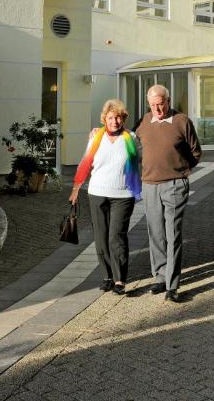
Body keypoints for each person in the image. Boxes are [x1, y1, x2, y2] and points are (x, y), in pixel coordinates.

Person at [135, 84, 202, 303]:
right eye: (153, 105)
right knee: (155, 232)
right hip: (150, 185)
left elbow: (195, 151)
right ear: (149, 104)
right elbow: (130, 144)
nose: (157, 109)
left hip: (174, 185)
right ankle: (160, 276)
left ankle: (172, 285)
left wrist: (181, 171)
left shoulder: (182, 121)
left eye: (160, 104)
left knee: (172, 234)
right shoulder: (144, 122)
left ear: (168, 101)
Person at [70, 99, 142, 296]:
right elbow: (85, 163)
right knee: (101, 238)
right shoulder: (95, 137)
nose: (114, 121)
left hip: (123, 195)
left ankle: (120, 279)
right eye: (111, 117)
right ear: (104, 119)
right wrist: (76, 188)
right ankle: (107, 276)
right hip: (97, 193)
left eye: (118, 117)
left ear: (123, 118)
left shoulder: (131, 138)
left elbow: (142, 161)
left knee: (116, 236)